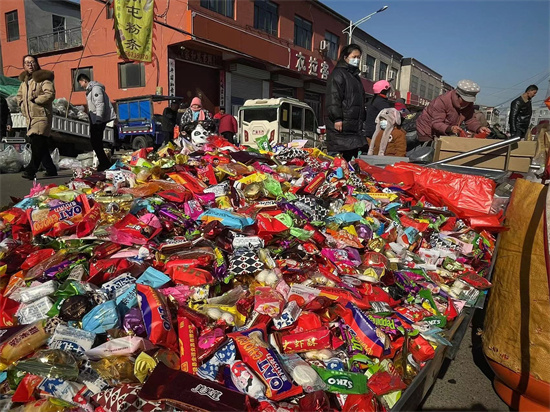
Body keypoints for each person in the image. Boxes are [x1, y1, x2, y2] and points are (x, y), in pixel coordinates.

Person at [17, 55, 57, 180]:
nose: (30, 65)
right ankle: (51, 169)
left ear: (37, 63)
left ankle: (31, 170)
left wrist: (36, 101)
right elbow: (19, 96)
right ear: (24, 65)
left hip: (41, 116)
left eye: (32, 62)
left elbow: (50, 94)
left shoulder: (43, 79)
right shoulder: (25, 82)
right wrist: (22, 105)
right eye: (27, 63)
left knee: (37, 143)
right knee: (41, 145)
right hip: (30, 118)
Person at [325, 43, 366, 161]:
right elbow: (334, 97)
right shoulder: (338, 74)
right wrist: (337, 118)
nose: (357, 60)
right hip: (341, 127)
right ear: (345, 57)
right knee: (336, 161)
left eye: (358, 57)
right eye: (354, 57)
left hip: (352, 127)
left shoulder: (354, 77)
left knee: (349, 162)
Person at [416, 79, 491, 142]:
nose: (467, 103)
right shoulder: (442, 101)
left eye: (469, 101)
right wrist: (450, 128)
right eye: (464, 100)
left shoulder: (469, 105)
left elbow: (470, 120)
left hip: (445, 132)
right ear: (458, 95)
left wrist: (479, 128)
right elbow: (436, 123)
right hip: (426, 130)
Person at [77, 73, 117, 171]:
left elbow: (100, 104)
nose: (80, 85)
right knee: (95, 142)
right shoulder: (90, 90)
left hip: (98, 119)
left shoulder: (95, 89)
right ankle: (104, 163)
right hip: (94, 118)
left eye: (80, 83)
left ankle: (105, 163)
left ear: (84, 80)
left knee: (96, 142)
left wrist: (99, 118)